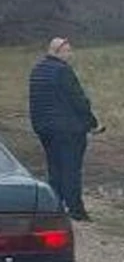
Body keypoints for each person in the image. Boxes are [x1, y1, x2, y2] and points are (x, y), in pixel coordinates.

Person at [28, 37, 102, 221]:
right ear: (56, 52)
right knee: (71, 169)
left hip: (44, 128)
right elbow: (78, 100)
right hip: (67, 129)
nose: (70, 54)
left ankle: (55, 207)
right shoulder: (63, 71)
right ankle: (76, 210)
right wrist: (92, 123)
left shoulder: (37, 70)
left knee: (55, 168)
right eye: (67, 51)